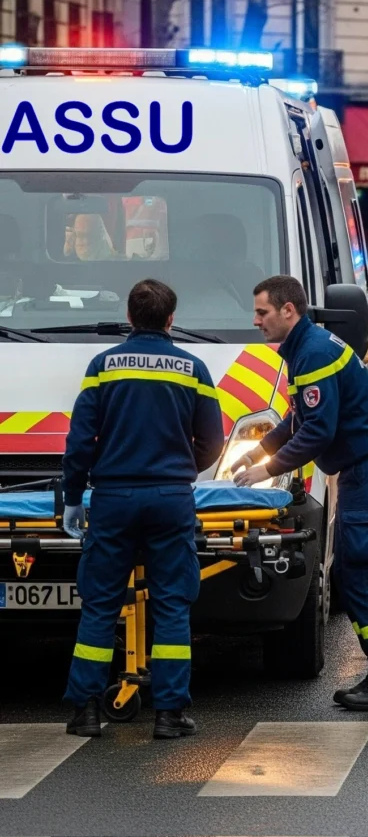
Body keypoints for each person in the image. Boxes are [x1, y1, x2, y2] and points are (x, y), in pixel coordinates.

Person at [232, 275, 368, 710]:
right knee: (356, 571)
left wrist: (265, 470)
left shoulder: (310, 354)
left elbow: (316, 431)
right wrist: (257, 449)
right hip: (367, 464)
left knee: (360, 571)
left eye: (262, 312)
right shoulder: (306, 347)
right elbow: (299, 418)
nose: (256, 321)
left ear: (288, 310)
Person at [62, 279, 225, 740]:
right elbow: (213, 441)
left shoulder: (103, 366)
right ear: (171, 319)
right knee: (172, 606)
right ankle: (170, 715)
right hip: (171, 499)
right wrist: (179, 471)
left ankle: (86, 712)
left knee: (99, 605)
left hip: (113, 499)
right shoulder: (192, 368)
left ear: (130, 317)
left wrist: (74, 496)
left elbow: (79, 444)